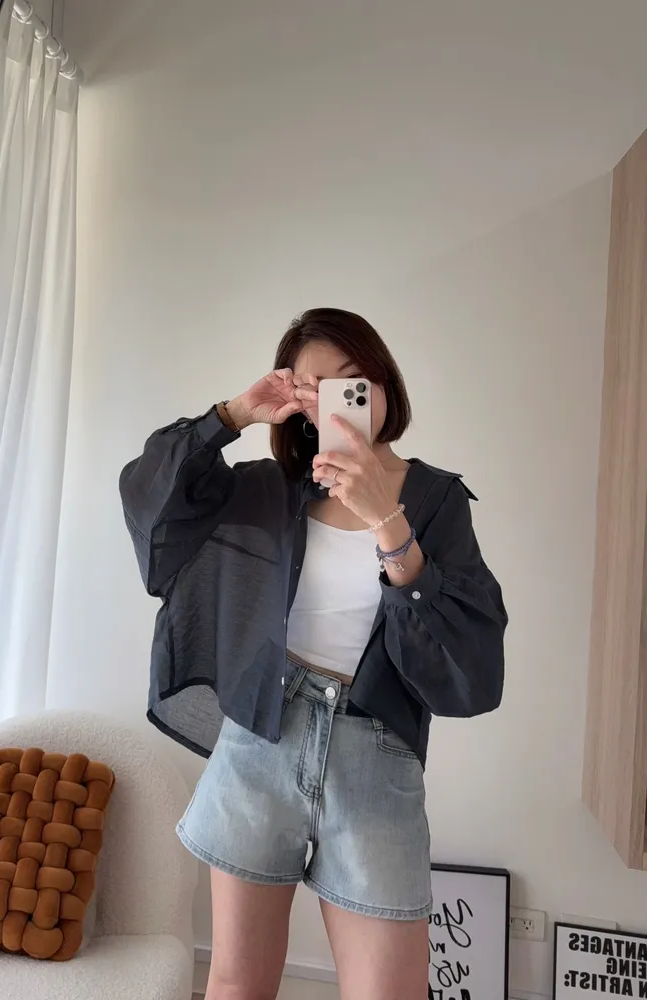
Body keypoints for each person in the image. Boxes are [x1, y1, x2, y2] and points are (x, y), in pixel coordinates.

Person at [119, 308, 507, 1000]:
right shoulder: (271, 493)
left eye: (351, 382)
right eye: (314, 388)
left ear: (382, 383)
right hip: (259, 742)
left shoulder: (436, 501)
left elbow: (469, 660)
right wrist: (233, 414)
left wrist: (387, 520)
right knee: (236, 984)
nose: (337, 400)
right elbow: (152, 498)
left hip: (373, 753)